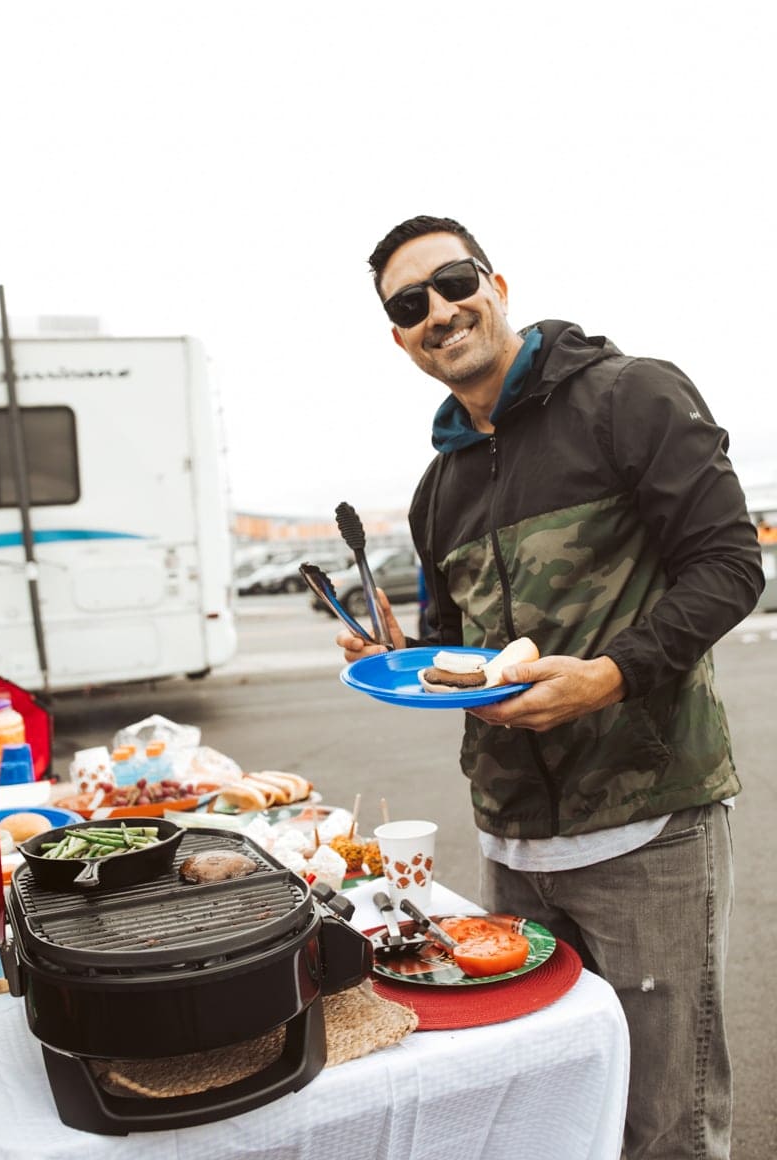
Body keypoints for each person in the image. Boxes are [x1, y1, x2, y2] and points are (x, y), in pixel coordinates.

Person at [334, 215, 764, 1160]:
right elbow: (459, 651)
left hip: (647, 822)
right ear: (398, 336)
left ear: (496, 281)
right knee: (557, 1111)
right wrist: (404, 653)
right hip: (512, 839)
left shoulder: (628, 397)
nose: (440, 312)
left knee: (667, 1126)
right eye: (412, 306)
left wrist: (608, 677)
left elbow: (732, 567)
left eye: (453, 283)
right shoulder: (436, 485)